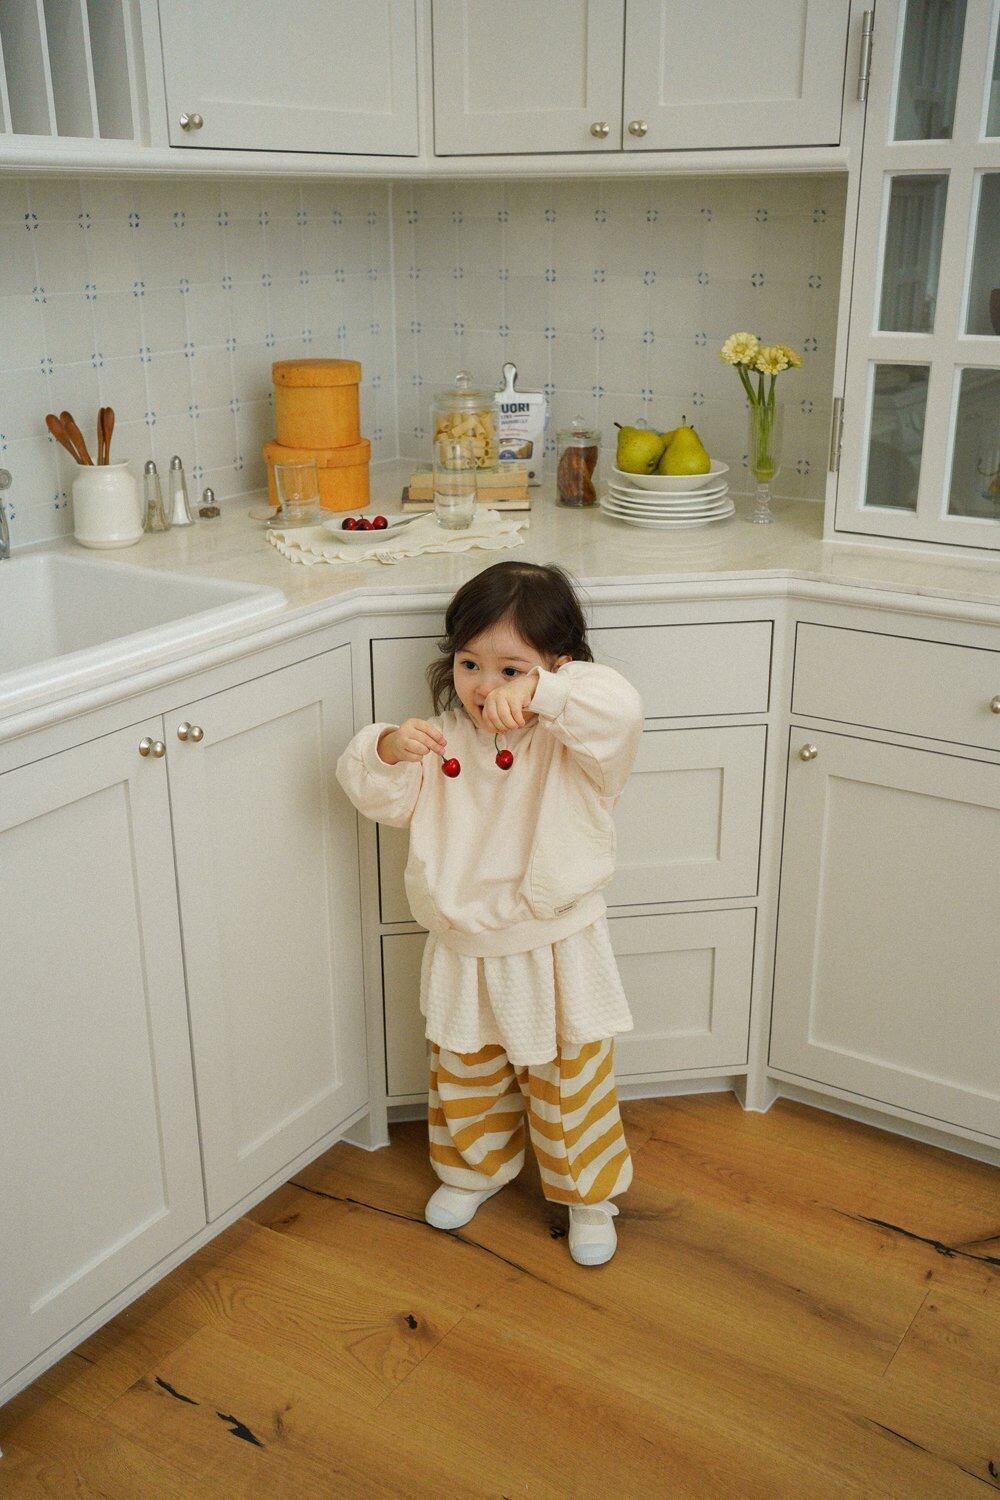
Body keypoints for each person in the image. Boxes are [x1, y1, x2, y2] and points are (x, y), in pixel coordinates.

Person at [335, 559, 644, 1266]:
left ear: (559, 667)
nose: (484, 685)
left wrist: (544, 693)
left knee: (571, 1085)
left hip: (556, 945)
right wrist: (389, 747)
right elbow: (375, 793)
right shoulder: (441, 742)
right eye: (470, 663)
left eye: (511, 669)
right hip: (465, 948)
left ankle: (589, 1196)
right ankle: (475, 1170)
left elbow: (621, 708)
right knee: (465, 1077)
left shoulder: (578, 742)